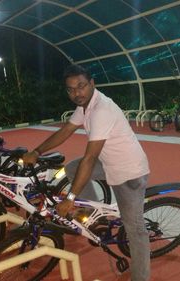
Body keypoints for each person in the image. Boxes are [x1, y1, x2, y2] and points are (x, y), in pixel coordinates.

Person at [22, 64, 151, 281]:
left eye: (81, 86)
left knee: (135, 230)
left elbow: (90, 159)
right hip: (109, 162)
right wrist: (37, 151)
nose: (76, 93)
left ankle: (141, 278)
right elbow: (66, 130)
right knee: (72, 167)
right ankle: (93, 215)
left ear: (92, 84)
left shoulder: (101, 110)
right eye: (71, 89)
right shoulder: (85, 106)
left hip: (129, 171)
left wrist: (70, 198)